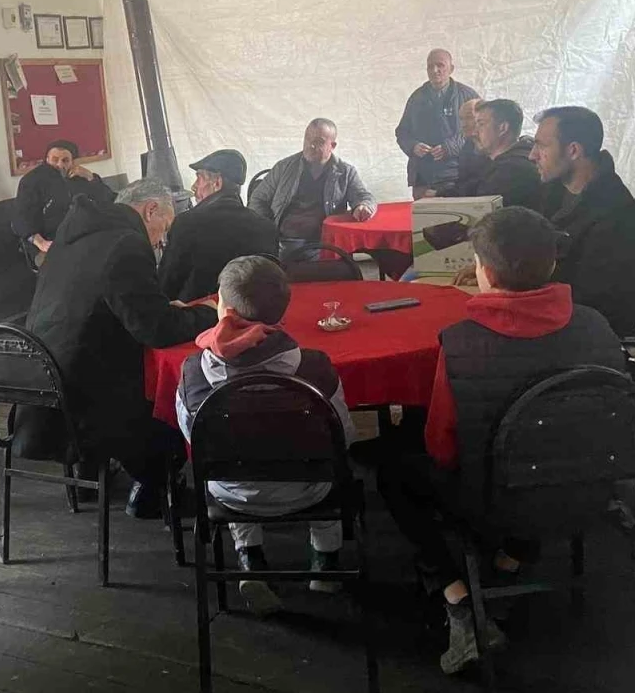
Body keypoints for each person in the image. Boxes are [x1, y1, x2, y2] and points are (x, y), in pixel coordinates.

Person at [377, 206, 626, 674]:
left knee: (395, 469)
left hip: (496, 501)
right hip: (590, 489)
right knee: (539, 456)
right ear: (552, 263)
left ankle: (457, 595)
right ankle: (509, 563)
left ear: (484, 272)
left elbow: (442, 447)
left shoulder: (460, 342)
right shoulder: (597, 325)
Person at [21, 179, 218, 516]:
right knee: (170, 399)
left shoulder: (72, 233)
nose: (162, 240)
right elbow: (156, 329)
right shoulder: (125, 242)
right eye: (164, 228)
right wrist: (206, 314)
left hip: (42, 381)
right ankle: (156, 491)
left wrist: (159, 309)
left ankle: (90, 471)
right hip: (88, 395)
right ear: (150, 210)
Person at [176, 255, 355, 615]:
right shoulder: (315, 367)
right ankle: (326, 561)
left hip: (230, 492)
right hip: (311, 489)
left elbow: (194, 438)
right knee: (329, 464)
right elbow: (343, 436)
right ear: (283, 311)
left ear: (224, 309)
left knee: (234, 460)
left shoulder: (193, 372)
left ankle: (250, 557)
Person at [530, 106, 635, 335]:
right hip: (555, 305)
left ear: (573, 150)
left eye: (541, 146)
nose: (532, 155)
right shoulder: (554, 190)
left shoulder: (613, 214)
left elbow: (592, 300)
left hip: (586, 324)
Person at [158, 149, 277, 302]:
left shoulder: (187, 223)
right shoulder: (266, 227)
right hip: (251, 312)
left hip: (199, 313)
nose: (193, 186)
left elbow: (166, 285)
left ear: (217, 183)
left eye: (199, 178)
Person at [248, 119, 376, 256]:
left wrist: (363, 206)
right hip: (287, 240)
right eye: (307, 138)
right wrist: (268, 227)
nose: (311, 145)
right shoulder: (284, 167)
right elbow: (257, 198)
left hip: (327, 241)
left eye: (319, 141)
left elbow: (363, 196)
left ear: (332, 146)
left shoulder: (345, 172)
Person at [11, 139, 114, 265]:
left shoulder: (79, 177)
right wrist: (40, 242)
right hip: (46, 242)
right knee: (72, 267)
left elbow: (108, 199)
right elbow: (20, 219)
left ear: (72, 161)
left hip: (81, 237)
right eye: (55, 159)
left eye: (65, 160)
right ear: (47, 159)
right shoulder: (31, 181)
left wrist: (90, 177)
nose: (59, 165)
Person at [396, 49, 480, 197]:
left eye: (440, 65)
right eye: (430, 66)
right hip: (423, 176)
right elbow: (402, 132)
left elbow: (480, 130)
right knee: (424, 212)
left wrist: (450, 147)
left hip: (457, 174)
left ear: (451, 68)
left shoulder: (468, 96)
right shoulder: (416, 98)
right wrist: (413, 146)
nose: (435, 70)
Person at [440, 99, 540, 210]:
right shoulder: (498, 162)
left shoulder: (511, 171)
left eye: (481, 124)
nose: (475, 131)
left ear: (503, 128)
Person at [430, 97, 488, 199]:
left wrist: (440, 193)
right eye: (461, 119)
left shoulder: (493, 147)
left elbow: (480, 186)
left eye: (469, 117)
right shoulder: (468, 146)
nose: (463, 124)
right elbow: (463, 183)